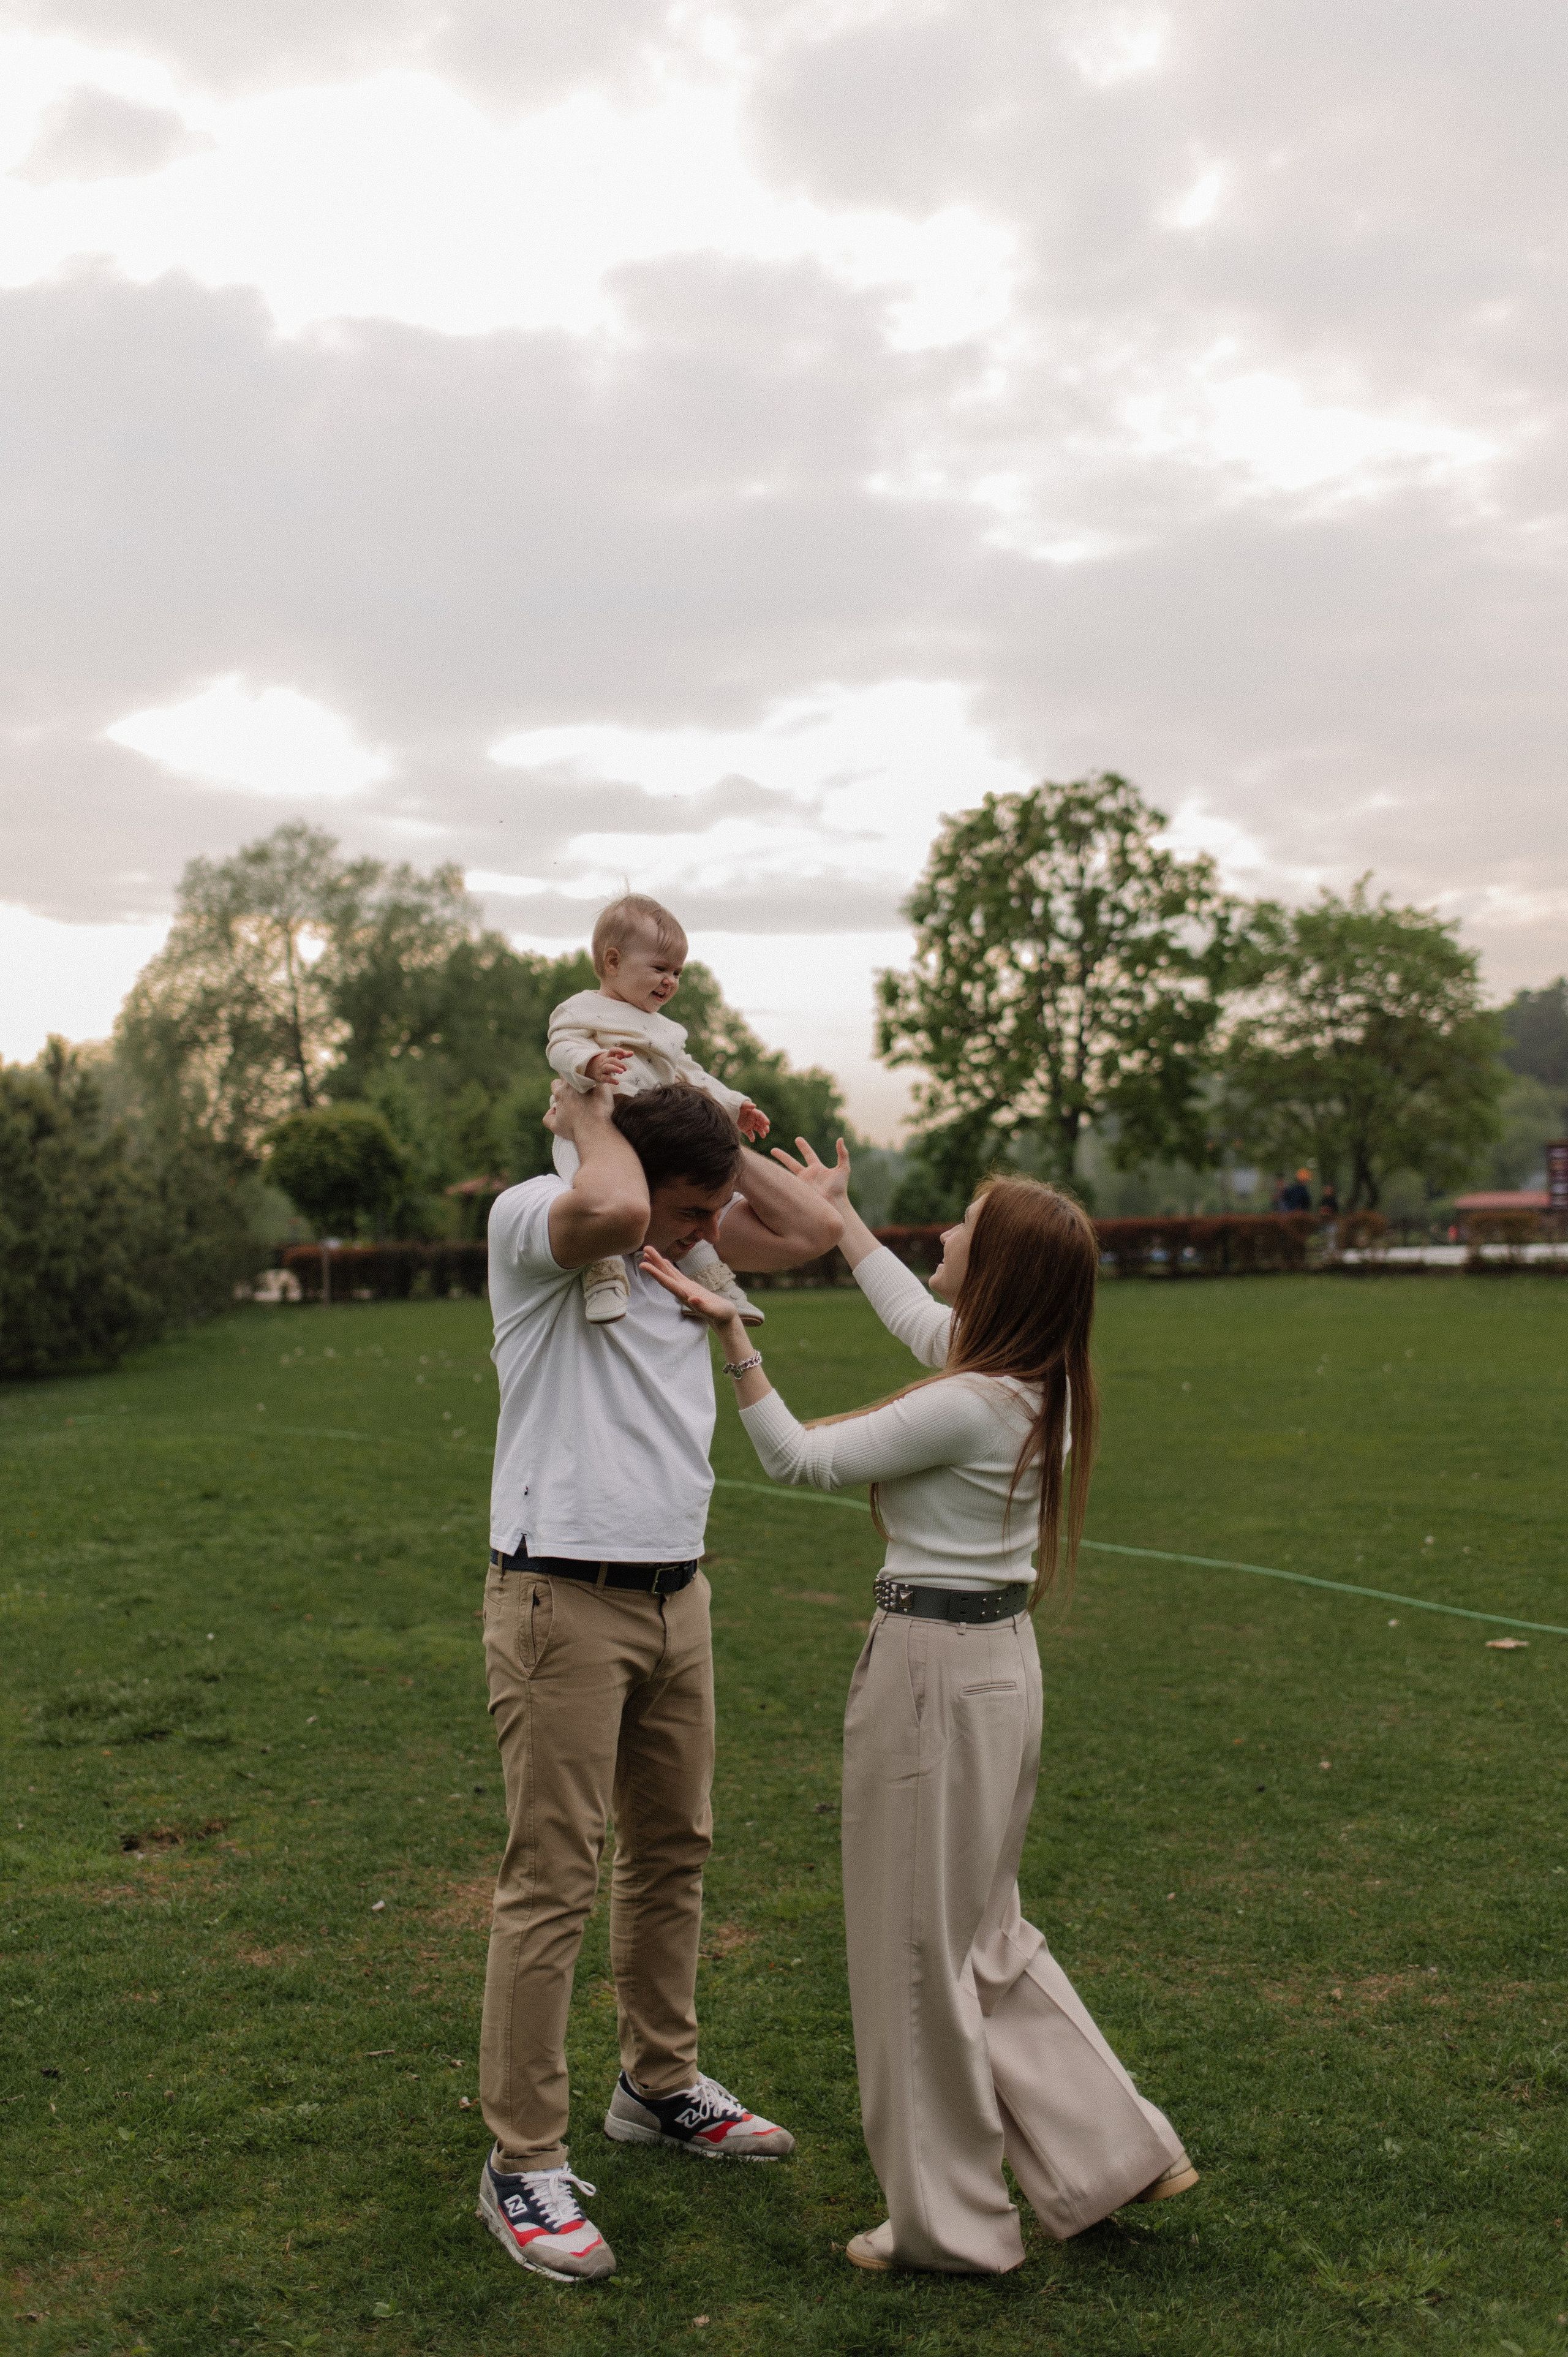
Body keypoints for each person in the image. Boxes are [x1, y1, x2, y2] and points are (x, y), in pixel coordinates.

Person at [646, 1142, 1196, 2276]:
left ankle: (947, 2225)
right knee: (983, 1935)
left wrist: (735, 1338)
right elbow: (915, 1317)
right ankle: (1111, 2151)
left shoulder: (970, 1403)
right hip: (996, 1667)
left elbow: (800, 1459)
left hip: (932, 1677)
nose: (941, 1234)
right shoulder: (1029, 1379)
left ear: (995, 1273)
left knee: (912, 1957)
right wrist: (843, 1223)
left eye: (964, 1228)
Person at [474, 1078, 842, 2284]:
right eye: (688, 1211)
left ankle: (658, 2083)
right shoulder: (540, 1219)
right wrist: (589, 1112)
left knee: (675, 1846)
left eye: (708, 1212)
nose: (701, 1234)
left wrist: (726, 1125)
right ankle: (522, 2160)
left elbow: (812, 1228)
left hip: (679, 1592)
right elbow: (619, 1204)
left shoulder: (685, 1233)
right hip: (560, 1597)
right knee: (554, 1877)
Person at [548, 892, 769, 1327]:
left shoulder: (666, 1030)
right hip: (596, 1128)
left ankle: (710, 1281)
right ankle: (602, 1274)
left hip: (651, 1137)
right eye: (659, 968)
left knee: (681, 1210)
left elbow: (691, 1073)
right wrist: (590, 1063)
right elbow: (561, 1046)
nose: (670, 981)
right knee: (602, 1199)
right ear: (613, 962)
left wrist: (733, 1104)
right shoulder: (584, 1009)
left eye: (677, 972)